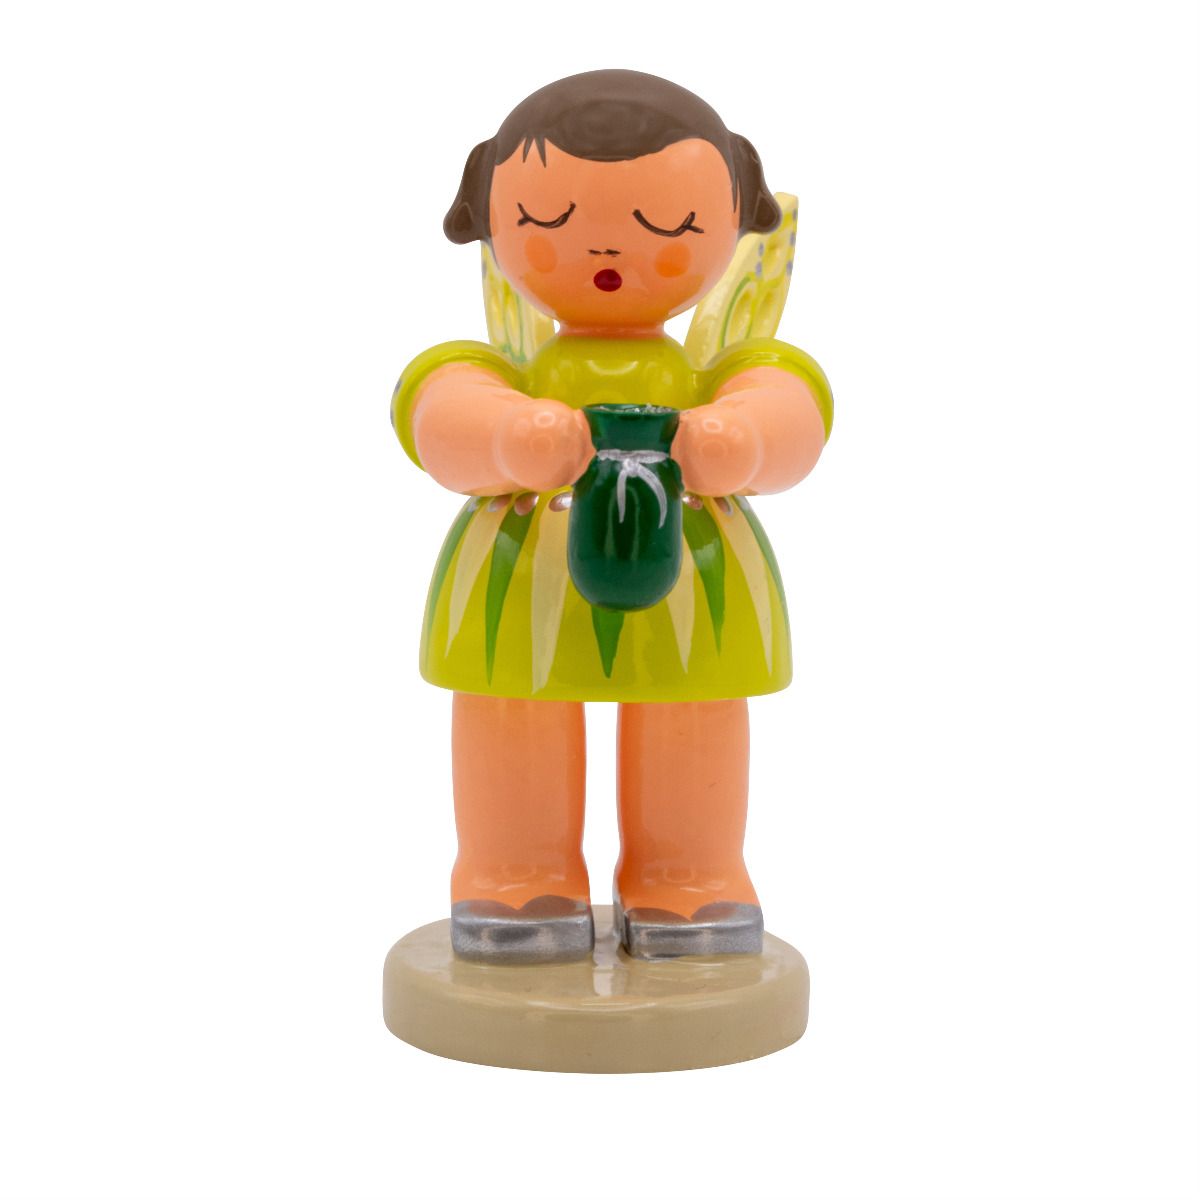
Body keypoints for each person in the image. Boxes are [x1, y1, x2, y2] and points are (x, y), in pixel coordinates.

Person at [391, 69, 832, 962]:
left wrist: (739, 440)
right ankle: (514, 875)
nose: (604, 248)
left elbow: (794, 409)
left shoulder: (726, 371)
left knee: (691, 716)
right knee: (512, 712)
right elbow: (434, 412)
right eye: (548, 221)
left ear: (737, 218)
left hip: (691, 577)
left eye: (668, 228)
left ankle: (689, 877)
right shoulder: (495, 367)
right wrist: (508, 436)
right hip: (524, 576)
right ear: (484, 214)